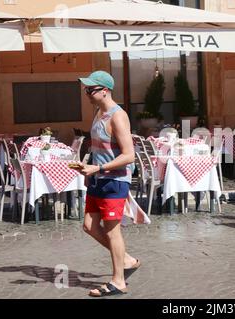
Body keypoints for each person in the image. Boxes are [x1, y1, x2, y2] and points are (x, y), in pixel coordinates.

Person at [76, 70, 140, 297]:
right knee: (89, 226)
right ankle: (128, 260)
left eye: (90, 89)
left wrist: (99, 168)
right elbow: (98, 148)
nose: (86, 93)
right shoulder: (97, 112)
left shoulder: (118, 116)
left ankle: (118, 281)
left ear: (104, 91)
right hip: (98, 178)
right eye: (85, 89)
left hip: (114, 181)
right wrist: (89, 168)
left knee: (113, 232)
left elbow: (129, 155)